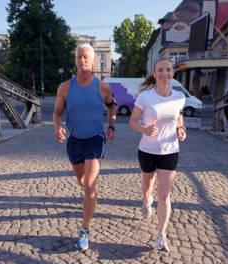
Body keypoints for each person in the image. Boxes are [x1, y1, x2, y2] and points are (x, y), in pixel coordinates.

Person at [53, 44, 116, 251]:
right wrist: (58, 127)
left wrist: (111, 125)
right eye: (79, 57)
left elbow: (111, 105)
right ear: (75, 60)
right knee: (83, 182)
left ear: (93, 61)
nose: (82, 61)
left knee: (89, 184)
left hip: (95, 140)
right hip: (74, 141)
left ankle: (84, 230)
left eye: (86, 58)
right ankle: (91, 197)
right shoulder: (65, 87)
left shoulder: (102, 87)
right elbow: (57, 113)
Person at [129, 57, 186, 252]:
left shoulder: (179, 97)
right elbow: (133, 121)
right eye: (160, 70)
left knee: (165, 195)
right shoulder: (146, 97)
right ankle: (146, 201)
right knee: (147, 184)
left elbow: (178, 115)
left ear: (172, 73)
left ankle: (161, 236)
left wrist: (181, 128)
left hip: (170, 151)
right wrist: (144, 129)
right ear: (155, 73)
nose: (164, 74)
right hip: (147, 150)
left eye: (168, 70)